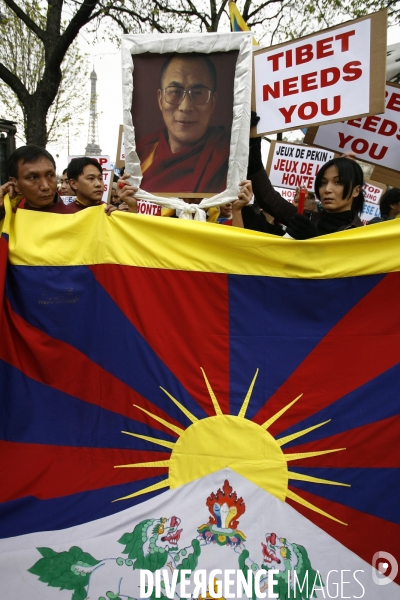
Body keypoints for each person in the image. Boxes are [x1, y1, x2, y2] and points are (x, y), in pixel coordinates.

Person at [136, 53, 230, 194]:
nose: (185, 106)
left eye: (198, 93)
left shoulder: (228, 158)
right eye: (175, 92)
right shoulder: (141, 158)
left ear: (213, 102)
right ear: (160, 99)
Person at [248, 138, 364, 239]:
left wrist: (313, 242)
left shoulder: (362, 235)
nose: (327, 189)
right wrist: (254, 143)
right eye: (323, 183)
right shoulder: (305, 218)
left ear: (356, 190)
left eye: (338, 182)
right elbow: (268, 198)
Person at [0, 145, 72, 218]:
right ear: (15, 183)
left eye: (50, 175)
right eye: (33, 177)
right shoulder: (8, 220)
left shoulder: (75, 219)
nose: (45, 186)